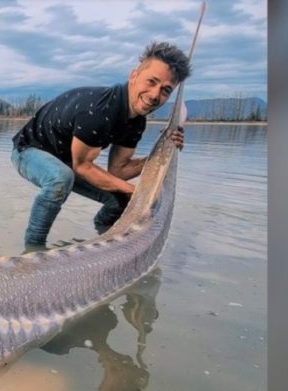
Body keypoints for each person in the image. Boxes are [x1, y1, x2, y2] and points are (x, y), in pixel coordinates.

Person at [11, 41, 191, 249]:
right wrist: (139, 193)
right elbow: (82, 167)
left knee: (119, 200)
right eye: (151, 81)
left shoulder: (137, 122)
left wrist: (163, 153)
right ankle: (32, 250)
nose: (154, 95)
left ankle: (103, 241)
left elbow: (118, 171)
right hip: (29, 150)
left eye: (165, 90)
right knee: (60, 178)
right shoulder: (99, 110)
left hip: (68, 159)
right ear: (134, 76)